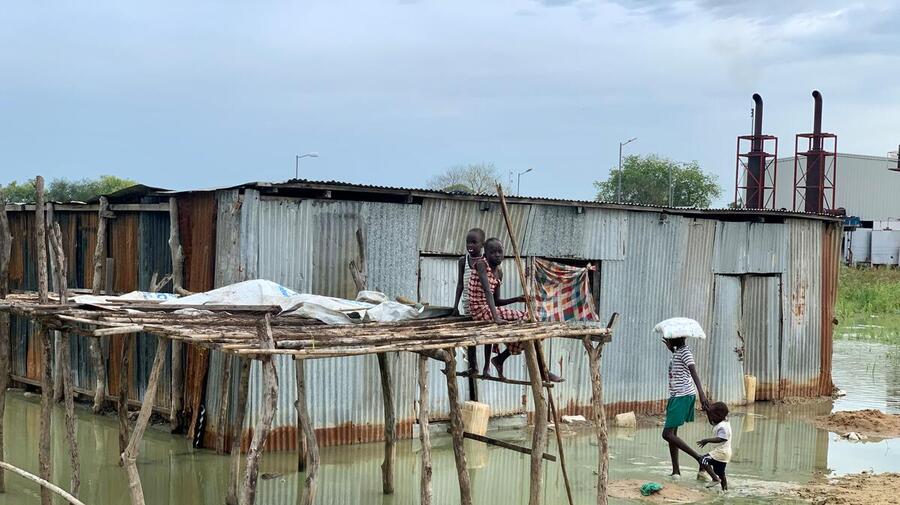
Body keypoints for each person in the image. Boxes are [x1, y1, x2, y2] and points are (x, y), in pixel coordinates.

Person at [466, 238, 526, 378]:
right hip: (479, 311)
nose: (497, 255)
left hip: (489, 310)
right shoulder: (481, 264)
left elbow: (497, 301)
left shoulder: (499, 272)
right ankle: (496, 360)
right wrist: (496, 318)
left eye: (500, 252)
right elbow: (487, 291)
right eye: (493, 252)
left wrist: (517, 299)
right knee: (527, 317)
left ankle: (500, 358)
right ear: (485, 254)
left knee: (528, 322)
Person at [660, 336, 715, 479]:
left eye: (670, 338)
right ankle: (676, 471)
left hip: (682, 396)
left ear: (676, 339)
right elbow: (681, 367)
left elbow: (693, 372)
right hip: (677, 395)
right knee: (672, 435)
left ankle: (700, 459)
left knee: (667, 434)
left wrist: (701, 394)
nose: (668, 339)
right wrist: (672, 350)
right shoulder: (679, 351)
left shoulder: (685, 352)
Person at [452, 228, 487, 376]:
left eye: (474, 242)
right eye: (468, 242)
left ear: (482, 244)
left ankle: (486, 367)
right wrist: (455, 306)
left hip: (482, 305)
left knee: (486, 336)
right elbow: (460, 284)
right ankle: (473, 366)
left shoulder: (486, 261)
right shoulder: (463, 261)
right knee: (470, 336)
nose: (470, 245)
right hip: (467, 305)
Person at [697, 402, 732, 491]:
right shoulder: (722, 421)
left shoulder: (723, 427)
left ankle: (714, 478)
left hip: (721, 452)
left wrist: (706, 440)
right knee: (720, 473)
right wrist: (708, 411)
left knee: (703, 459)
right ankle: (725, 490)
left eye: (712, 415)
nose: (711, 418)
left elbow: (722, 438)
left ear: (718, 416)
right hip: (725, 453)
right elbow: (711, 421)